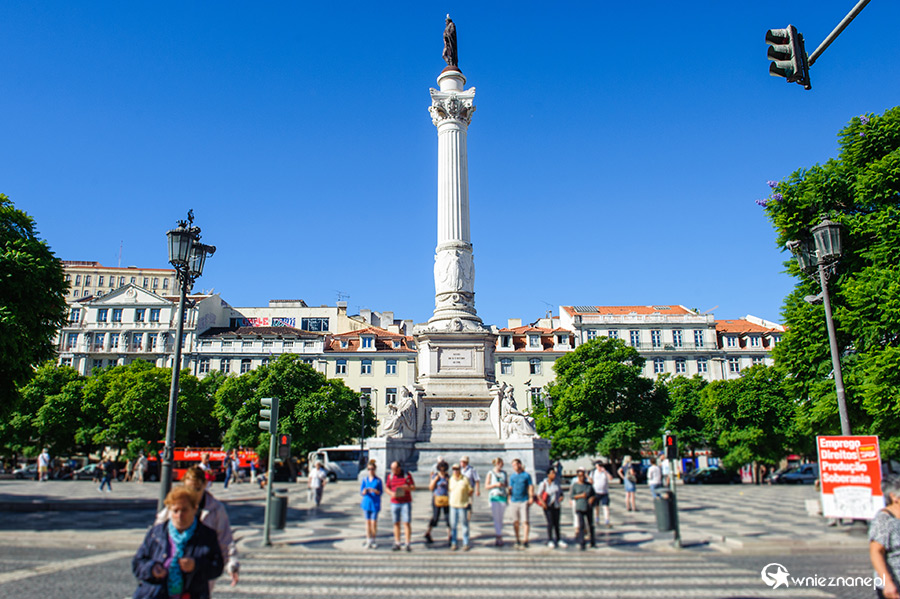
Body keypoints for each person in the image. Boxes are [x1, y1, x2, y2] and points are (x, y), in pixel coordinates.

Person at [155, 466, 239, 591]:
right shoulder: (176, 505)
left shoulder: (215, 509)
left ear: (205, 485)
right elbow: (157, 533)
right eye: (188, 489)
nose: (192, 494)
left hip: (201, 568)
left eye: (197, 489)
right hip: (174, 567)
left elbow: (225, 539)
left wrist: (232, 565)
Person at [133, 487, 224, 599]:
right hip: (155, 594)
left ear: (194, 509)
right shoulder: (156, 533)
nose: (179, 516)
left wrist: (196, 565)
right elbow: (138, 563)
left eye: (184, 510)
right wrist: (151, 569)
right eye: (175, 510)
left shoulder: (206, 535)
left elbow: (217, 567)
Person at [871, 474, 900, 599]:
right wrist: (887, 582)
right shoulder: (884, 519)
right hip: (894, 584)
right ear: (894, 497)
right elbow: (876, 552)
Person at [385, 461, 415, 552]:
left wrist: (406, 488)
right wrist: (391, 494)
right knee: (396, 522)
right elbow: (387, 488)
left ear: (399, 468)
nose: (393, 470)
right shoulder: (390, 476)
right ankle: (397, 542)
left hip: (405, 502)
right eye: (391, 469)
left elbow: (413, 487)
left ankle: (407, 543)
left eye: (394, 469)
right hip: (395, 502)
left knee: (406, 523)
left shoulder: (407, 475)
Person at [537, 467, 566, 548]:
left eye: (554, 473)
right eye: (552, 473)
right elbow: (538, 495)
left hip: (556, 504)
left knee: (557, 523)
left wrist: (561, 497)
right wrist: (543, 503)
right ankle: (550, 539)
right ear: (548, 474)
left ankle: (559, 539)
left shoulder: (557, 483)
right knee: (550, 523)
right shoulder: (543, 483)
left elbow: (560, 492)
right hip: (548, 505)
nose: (554, 475)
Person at [508, 458, 534, 549]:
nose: (514, 467)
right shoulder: (512, 476)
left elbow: (530, 486)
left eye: (515, 465)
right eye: (513, 466)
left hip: (524, 500)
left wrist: (531, 497)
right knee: (515, 521)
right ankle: (517, 539)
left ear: (519, 464)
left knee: (525, 521)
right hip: (514, 500)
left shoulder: (526, 475)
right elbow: (510, 488)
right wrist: (509, 498)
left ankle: (525, 539)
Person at [425, 461, 451, 546]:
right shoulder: (435, 476)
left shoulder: (447, 477)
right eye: (441, 469)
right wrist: (435, 480)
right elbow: (430, 487)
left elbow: (450, 488)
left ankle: (450, 536)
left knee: (448, 517)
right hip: (436, 498)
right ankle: (428, 532)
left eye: (444, 469)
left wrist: (448, 482)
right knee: (435, 517)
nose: (442, 471)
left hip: (445, 498)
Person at [448, 463, 473, 551]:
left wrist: (467, 500)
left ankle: (465, 543)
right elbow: (450, 490)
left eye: (457, 469)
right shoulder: (451, 479)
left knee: (464, 525)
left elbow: (470, 490)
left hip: (463, 505)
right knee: (453, 525)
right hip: (453, 505)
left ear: (460, 470)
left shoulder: (465, 479)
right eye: (453, 469)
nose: (455, 471)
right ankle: (454, 542)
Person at [484, 457, 509, 547]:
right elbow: (486, 486)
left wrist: (503, 485)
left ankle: (499, 535)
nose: (500, 465)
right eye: (499, 464)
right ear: (496, 464)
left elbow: (507, 484)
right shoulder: (490, 473)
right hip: (494, 496)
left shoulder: (504, 473)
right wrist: (495, 485)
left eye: (501, 464)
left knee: (501, 518)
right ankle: (499, 536)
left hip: (502, 496)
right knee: (496, 517)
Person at [359, 459, 383, 549]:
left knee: (373, 523)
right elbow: (361, 491)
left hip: (375, 503)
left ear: (375, 470)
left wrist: (375, 491)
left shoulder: (378, 481)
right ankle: (368, 539)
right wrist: (364, 491)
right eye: (369, 469)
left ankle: (373, 539)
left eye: (372, 469)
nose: (370, 471)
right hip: (366, 503)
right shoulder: (365, 480)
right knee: (367, 523)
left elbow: (381, 492)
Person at [571, 467, 596, 550]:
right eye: (580, 476)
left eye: (583, 476)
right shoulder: (575, 485)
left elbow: (594, 494)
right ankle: (582, 542)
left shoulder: (588, 485)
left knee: (591, 525)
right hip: (580, 507)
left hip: (588, 507)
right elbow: (572, 496)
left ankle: (593, 541)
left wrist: (592, 498)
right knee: (581, 526)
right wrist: (580, 496)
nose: (582, 478)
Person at [590, 461, 612, 528]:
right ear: (596, 466)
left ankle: (607, 520)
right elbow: (590, 481)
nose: (600, 467)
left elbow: (611, 478)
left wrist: (605, 471)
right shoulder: (593, 472)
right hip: (596, 492)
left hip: (604, 492)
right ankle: (597, 519)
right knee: (596, 507)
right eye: (598, 466)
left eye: (601, 466)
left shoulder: (605, 472)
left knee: (606, 507)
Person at [459, 456, 481, 522]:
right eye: (460, 462)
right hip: (461, 489)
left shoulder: (472, 470)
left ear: (465, 462)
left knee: (469, 503)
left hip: (469, 489)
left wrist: (477, 490)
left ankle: (468, 517)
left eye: (462, 462)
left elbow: (477, 480)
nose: (461, 463)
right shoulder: (460, 470)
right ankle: (462, 516)